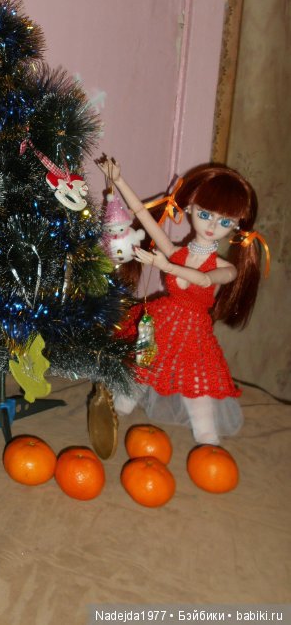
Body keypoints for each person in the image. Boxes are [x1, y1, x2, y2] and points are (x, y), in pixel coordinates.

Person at [96, 155, 268, 446]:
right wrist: (118, 179)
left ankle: (207, 437)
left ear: (236, 226)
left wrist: (167, 266)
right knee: (143, 362)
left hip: (193, 329)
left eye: (225, 221)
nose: (212, 225)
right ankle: (120, 407)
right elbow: (144, 215)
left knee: (196, 382)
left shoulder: (226, 268)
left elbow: (203, 280)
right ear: (190, 208)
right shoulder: (176, 252)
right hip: (165, 319)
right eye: (205, 214)